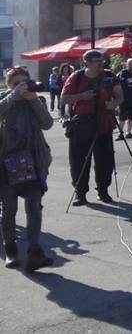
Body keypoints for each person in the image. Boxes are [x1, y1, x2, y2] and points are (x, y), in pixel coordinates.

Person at [0, 67, 55, 270]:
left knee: (34, 206)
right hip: (6, 164)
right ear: (9, 86)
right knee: (9, 210)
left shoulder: (36, 100)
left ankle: (34, 252)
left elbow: (47, 123)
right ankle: (11, 251)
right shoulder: (5, 99)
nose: (22, 87)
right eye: (17, 84)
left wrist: (32, 99)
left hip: (32, 163)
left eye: (25, 82)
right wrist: (13, 96)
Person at [61, 50, 123, 206]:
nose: (101, 63)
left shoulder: (109, 75)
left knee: (105, 160)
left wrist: (114, 104)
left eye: (102, 60)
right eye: (97, 61)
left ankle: (103, 191)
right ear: (86, 62)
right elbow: (64, 98)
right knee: (79, 161)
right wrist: (82, 96)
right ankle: (80, 194)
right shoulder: (77, 77)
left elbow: (120, 95)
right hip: (82, 124)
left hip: (104, 122)